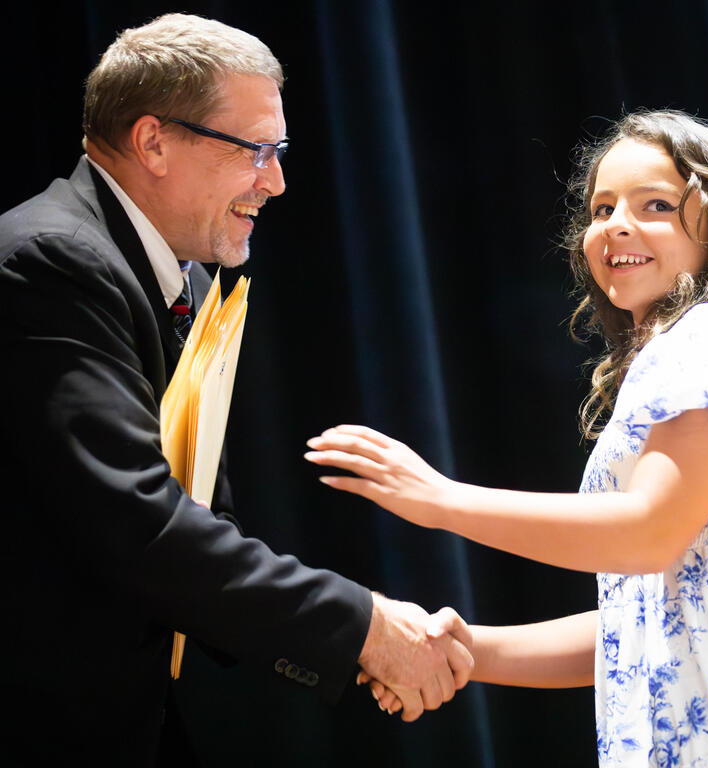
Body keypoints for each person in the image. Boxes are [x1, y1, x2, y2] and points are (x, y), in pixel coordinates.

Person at [306, 111, 708, 767]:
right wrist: (468, 651)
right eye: (602, 208)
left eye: (655, 205)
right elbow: (642, 616)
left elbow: (648, 534)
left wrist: (441, 500)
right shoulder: (679, 353)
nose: (616, 224)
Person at [0, 14, 471, 765]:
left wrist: (368, 636)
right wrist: (365, 631)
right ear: (154, 142)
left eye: (279, 152)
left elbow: (195, 518)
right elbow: (141, 528)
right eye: (256, 150)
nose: (276, 182)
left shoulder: (178, 278)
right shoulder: (52, 263)